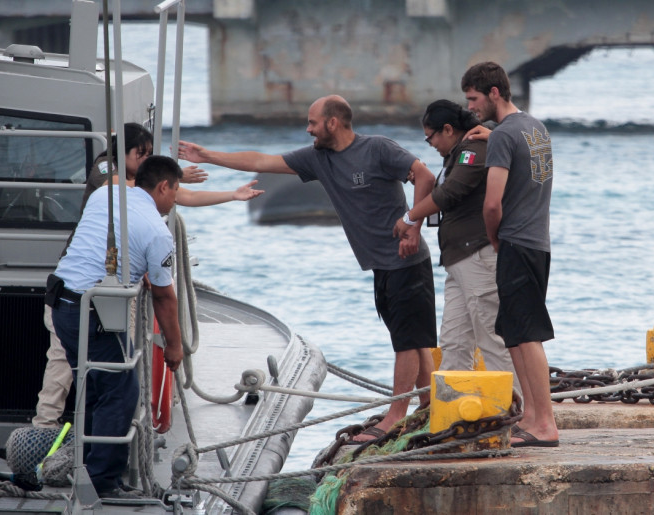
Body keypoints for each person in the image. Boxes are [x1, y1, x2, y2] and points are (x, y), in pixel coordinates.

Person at [178, 95, 437, 442]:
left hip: (407, 260)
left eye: (313, 122)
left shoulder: (378, 149)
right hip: (382, 264)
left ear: (333, 122)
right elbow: (261, 160)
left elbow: (425, 175)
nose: (307, 128)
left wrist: (412, 225)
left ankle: (394, 416)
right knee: (412, 338)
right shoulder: (318, 159)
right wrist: (209, 155)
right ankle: (427, 406)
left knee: (408, 341)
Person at [34, 123, 264, 429]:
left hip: (111, 288)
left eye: (148, 156)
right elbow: (149, 193)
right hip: (81, 288)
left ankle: (95, 432)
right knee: (66, 361)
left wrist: (230, 195)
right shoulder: (108, 173)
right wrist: (171, 180)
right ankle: (46, 425)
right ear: (122, 152)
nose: (144, 161)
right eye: (140, 154)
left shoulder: (140, 190)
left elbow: (175, 197)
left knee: (111, 369)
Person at [46, 155, 184, 498]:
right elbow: (166, 298)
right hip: (94, 311)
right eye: (176, 190)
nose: (176, 199)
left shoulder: (103, 196)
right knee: (120, 393)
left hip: (62, 304)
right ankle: (103, 482)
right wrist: (175, 347)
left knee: (90, 386)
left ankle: (87, 469)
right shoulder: (157, 231)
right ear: (163, 186)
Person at [461, 61, 558, 448]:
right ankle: (532, 418)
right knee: (516, 333)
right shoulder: (534, 128)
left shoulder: (503, 137)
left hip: (515, 242)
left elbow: (492, 204)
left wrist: (494, 239)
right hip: (538, 241)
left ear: (494, 93)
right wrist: (495, 135)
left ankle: (546, 424)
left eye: (473, 98)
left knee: (527, 335)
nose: (469, 107)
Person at [393, 100, 520, 392]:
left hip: (477, 255)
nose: (431, 145)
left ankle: (516, 410)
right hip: (459, 259)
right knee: (454, 342)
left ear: (448, 129)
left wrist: (410, 217)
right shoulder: (459, 152)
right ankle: (453, 409)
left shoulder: (474, 149)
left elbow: (454, 191)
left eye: (431, 137)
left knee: (491, 339)